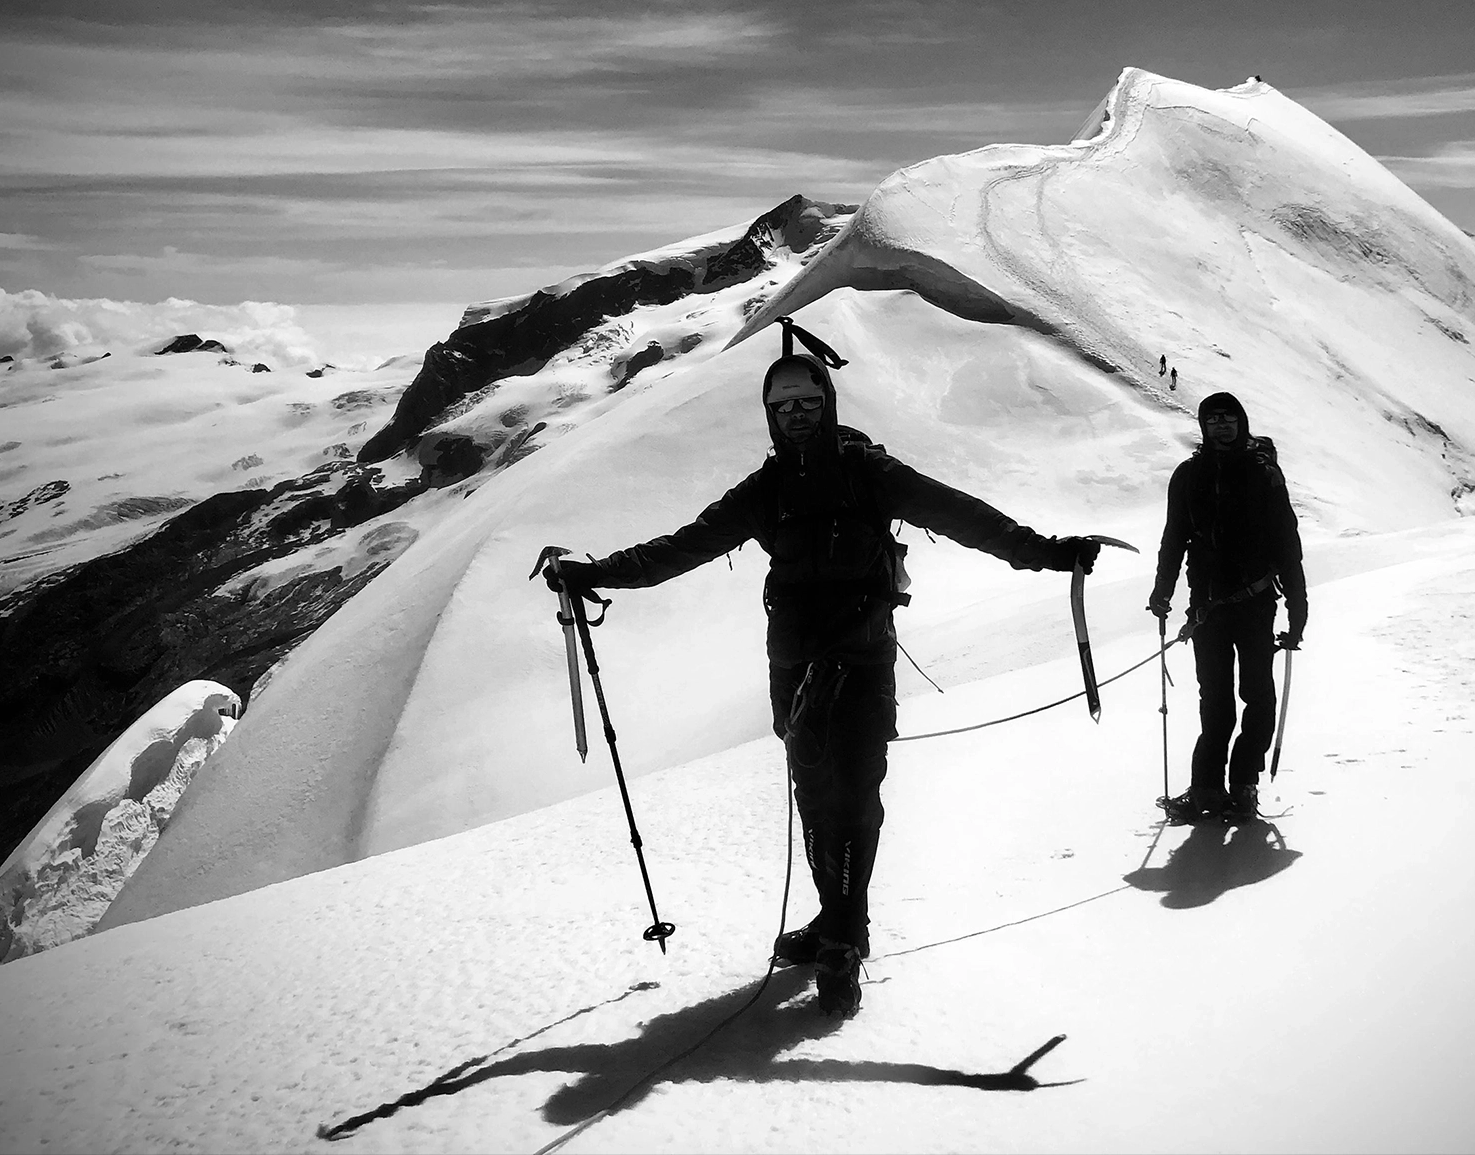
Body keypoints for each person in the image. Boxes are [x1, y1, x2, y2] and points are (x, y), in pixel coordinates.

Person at [539, 350, 1100, 1017]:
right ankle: (840, 922)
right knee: (816, 799)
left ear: (826, 404)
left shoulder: (869, 472)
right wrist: (595, 573)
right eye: (784, 408)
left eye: (807, 404)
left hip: (862, 662)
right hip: (796, 669)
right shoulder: (766, 488)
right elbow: (684, 546)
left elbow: (961, 515)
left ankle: (840, 940)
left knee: (855, 800)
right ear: (771, 417)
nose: (797, 416)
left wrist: (1046, 551)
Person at [1148, 392, 1307, 823]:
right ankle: (1208, 791)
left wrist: (1299, 606)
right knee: (1215, 702)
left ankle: (1241, 786)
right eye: (1214, 419)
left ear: (1241, 423)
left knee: (1257, 697)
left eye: (1229, 418)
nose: (1222, 426)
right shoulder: (1188, 476)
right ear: (1203, 426)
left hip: (1255, 604)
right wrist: (1162, 591)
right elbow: (1174, 538)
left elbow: (1286, 542)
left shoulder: (1263, 475)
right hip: (1208, 610)